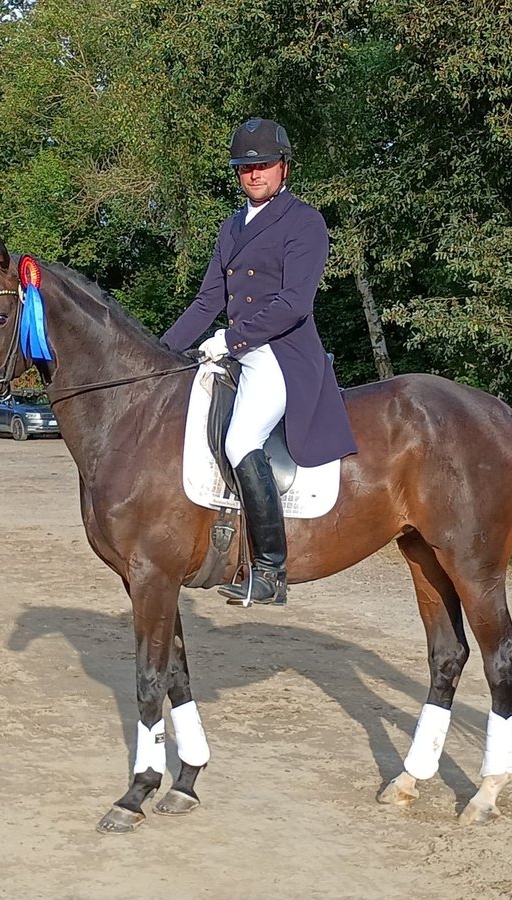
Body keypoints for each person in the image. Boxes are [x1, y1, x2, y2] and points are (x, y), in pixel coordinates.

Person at [161, 117, 357, 606]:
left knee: (242, 437)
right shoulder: (230, 227)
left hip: (282, 353)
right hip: (239, 349)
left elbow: (295, 303)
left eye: (263, 165)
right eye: (245, 167)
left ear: (283, 167)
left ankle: (270, 570)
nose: (253, 174)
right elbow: (208, 300)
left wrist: (231, 339)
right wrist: (162, 352)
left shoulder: (304, 222)